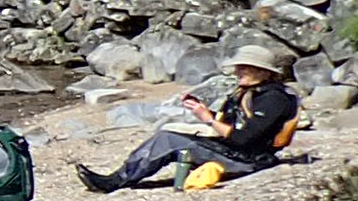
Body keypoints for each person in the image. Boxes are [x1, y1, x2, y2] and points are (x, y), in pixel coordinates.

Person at [81, 44, 300, 191]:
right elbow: (234, 127)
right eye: (239, 67)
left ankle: (115, 181)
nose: (237, 71)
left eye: (244, 68)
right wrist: (203, 111)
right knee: (169, 137)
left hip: (249, 160)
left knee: (167, 139)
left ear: (262, 72)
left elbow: (243, 138)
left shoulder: (274, 99)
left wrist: (208, 119)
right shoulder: (251, 93)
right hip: (237, 152)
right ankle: (121, 176)